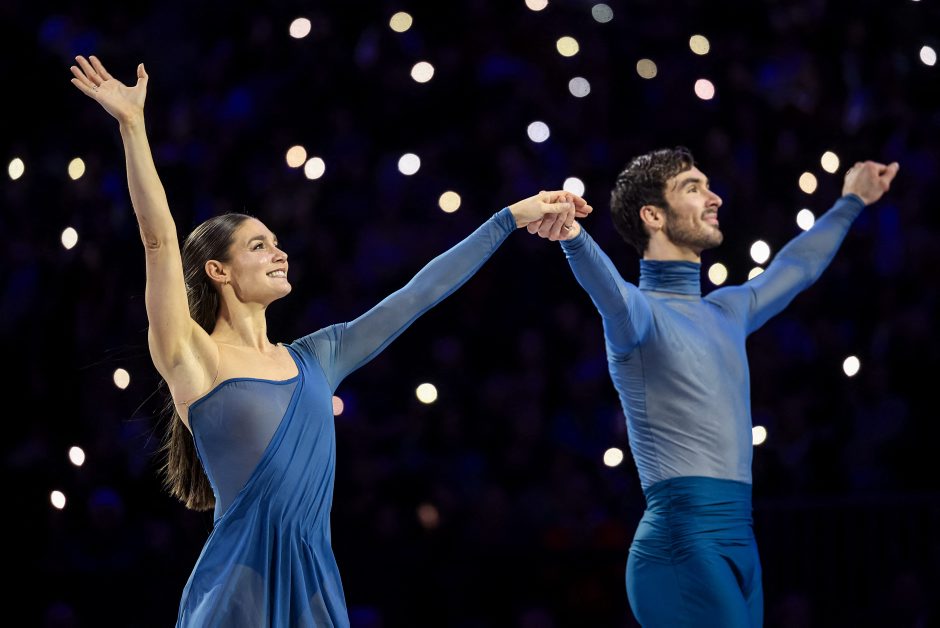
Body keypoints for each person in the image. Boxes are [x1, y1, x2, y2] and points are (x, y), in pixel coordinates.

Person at [69, 55, 591, 627]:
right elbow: (159, 242)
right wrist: (132, 126)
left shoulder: (317, 357)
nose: (279, 253)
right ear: (218, 271)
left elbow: (418, 294)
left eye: (277, 242)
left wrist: (510, 217)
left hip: (315, 586)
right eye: (259, 246)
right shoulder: (194, 357)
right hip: (236, 592)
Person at [527, 146, 898, 626]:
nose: (714, 197)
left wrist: (851, 201)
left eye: (708, 186)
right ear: (653, 216)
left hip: (741, 545)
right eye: (693, 188)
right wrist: (574, 237)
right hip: (680, 548)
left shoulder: (727, 310)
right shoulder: (639, 315)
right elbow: (607, 289)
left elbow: (797, 267)